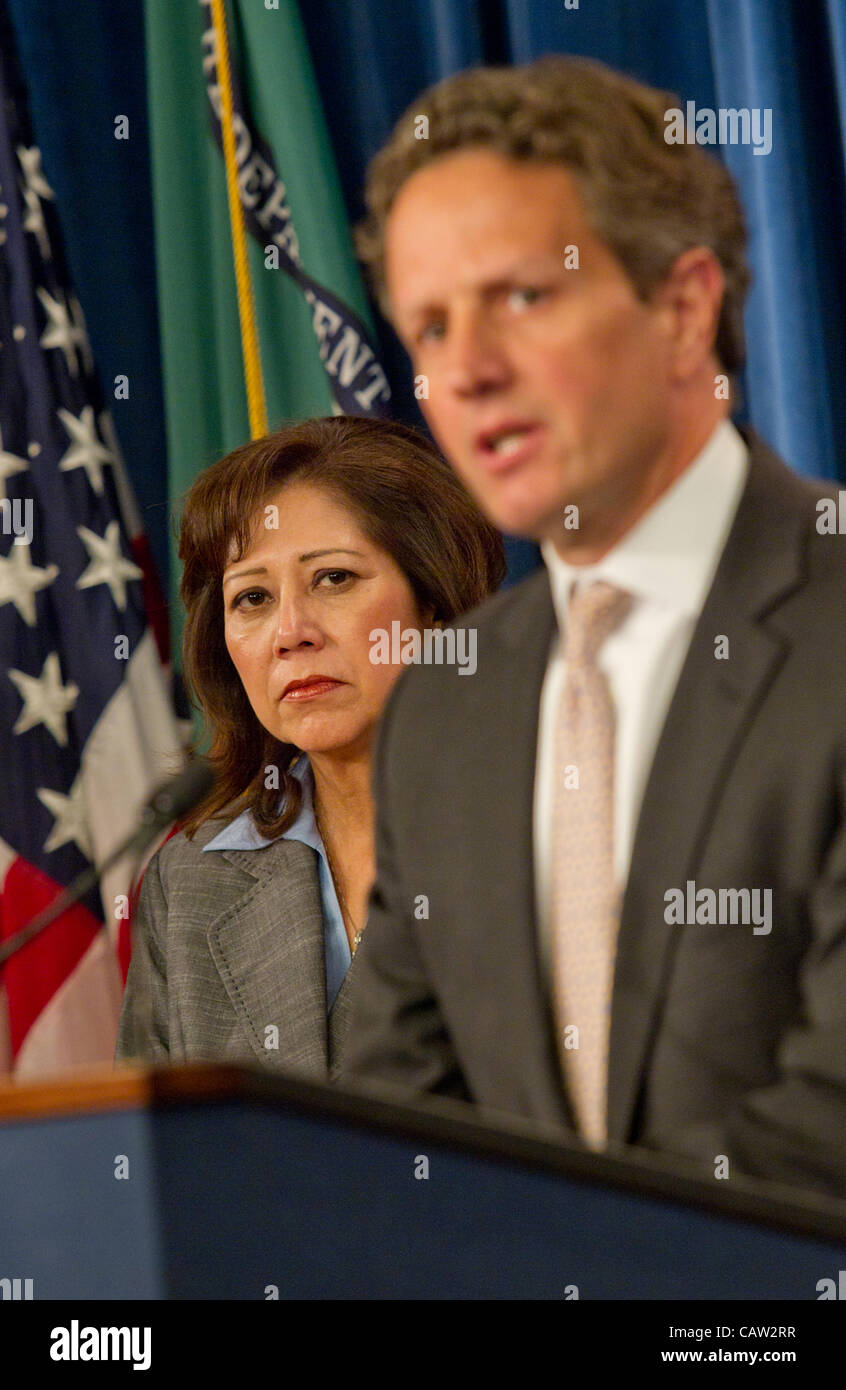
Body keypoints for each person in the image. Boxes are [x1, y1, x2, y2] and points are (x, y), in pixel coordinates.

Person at [340, 56, 846, 1197]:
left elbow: (830, 1133)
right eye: (427, 326)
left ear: (682, 308)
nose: (464, 370)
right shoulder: (450, 702)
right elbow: (398, 1138)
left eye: (522, 297)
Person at [114, 415, 504, 1078]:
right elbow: (151, 1162)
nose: (290, 632)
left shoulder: (550, 834)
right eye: (254, 597)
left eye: (334, 579)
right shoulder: (191, 883)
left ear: (433, 603)